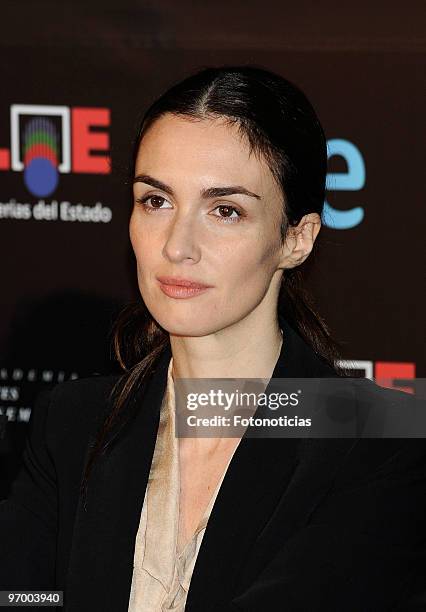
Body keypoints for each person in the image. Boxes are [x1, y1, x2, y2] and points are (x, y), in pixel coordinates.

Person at [1, 65, 426, 612]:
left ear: (297, 238)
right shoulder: (74, 423)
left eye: (225, 210)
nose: (178, 246)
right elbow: (24, 594)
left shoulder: (380, 442)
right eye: (156, 200)